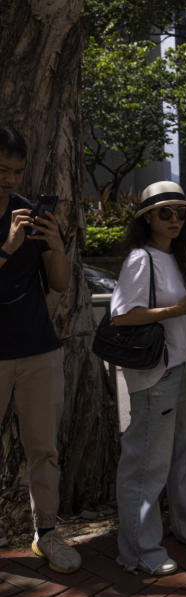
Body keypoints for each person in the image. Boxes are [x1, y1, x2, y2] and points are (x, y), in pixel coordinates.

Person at [111, 181, 186, 575]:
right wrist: (177, 309)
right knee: (147, 464)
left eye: (181, 213)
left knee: (178, 459)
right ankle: (139, 549)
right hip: (157, 372)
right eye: (164, 213)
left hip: (181, 365)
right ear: (147, 218)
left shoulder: (175, 257)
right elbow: (122, 315)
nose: (174, 219)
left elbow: (173, 309)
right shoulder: (142, 258)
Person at [0, 125, 81, 573]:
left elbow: (61, 283)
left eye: (16, 170)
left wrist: (53, 246)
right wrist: (8, 247)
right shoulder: (12, 229)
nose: (10, 179)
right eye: (1, 169)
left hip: (37, 349)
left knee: (43, 449)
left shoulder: (30, 213)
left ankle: (46, 532)